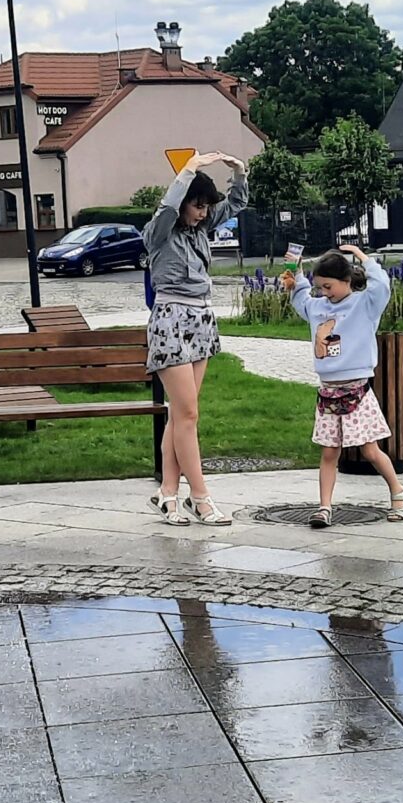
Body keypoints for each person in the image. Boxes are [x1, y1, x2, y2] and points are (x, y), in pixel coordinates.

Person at [142, 152, 246, 526]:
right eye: (197, 206)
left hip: (200, 318)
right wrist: (187, 171)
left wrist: (239, 172)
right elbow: (168, 209)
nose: (202, 213)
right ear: (184, 201)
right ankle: (200, 498)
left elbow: (235, 204)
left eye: (205, 207)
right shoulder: (159, 233)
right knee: (188, 414)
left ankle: (168, 494)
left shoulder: (200, 229)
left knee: (179, 415)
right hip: (171, 319)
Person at [281, 243, 403, 528]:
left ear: (347, 281)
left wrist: (365, 258)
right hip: (328, 392)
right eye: (321, 287)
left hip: (357, 392)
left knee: (369, 450)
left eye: (329, 286)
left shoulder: (365, 304)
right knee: (329, 452)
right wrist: (294, 272)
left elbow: (382, 286)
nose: (325, 293)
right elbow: (300, 298)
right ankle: (324, 507)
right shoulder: (318, 307)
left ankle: (397, 493)